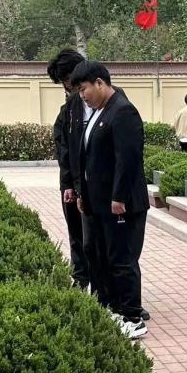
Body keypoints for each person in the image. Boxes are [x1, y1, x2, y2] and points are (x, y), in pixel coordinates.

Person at [71, 61, 150, 340]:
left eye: (84, 89)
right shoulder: (99, 112)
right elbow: (91, 159)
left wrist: (119, 196)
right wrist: (83, 194)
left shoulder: (123, 111)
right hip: (99, 204)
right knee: (101, 256)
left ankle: (133, 317)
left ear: (100, 83)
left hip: (121, 205)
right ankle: (113, 309)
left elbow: (128, 159)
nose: (82, 96)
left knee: (122, 260)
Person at [47, 48, 92, 292]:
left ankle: (109, 289)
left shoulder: (109, 101)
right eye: (63, 82)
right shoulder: (67, 111)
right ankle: (81, 279)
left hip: (96, 185)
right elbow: (64, 152)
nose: (67, 87)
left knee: (99, 239)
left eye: (68, 80)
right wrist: (68, 185)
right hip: (72, 184)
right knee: (76, 234)